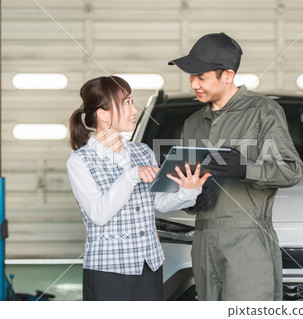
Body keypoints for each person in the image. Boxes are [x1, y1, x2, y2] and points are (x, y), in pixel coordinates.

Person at [168, 32, 303, 301]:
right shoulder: (193, 122)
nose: (193, 83)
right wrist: (192, 199)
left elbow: (291, 169)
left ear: (227, 75)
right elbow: (182, 182)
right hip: (203, 240)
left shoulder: (263, 112)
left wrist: (245, 168)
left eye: (202, 77)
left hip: (248, 241)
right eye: (191, 76)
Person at [67, 76, 210, 301]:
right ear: (102, 114)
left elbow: (158, 202)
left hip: (149, 265)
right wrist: (131, 176)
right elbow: (98, 214)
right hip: (108, 269)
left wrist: (188, 191)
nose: (134, 110)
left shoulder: (142, 151)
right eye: (126, 103)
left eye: (132, 101)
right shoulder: (80, 160)